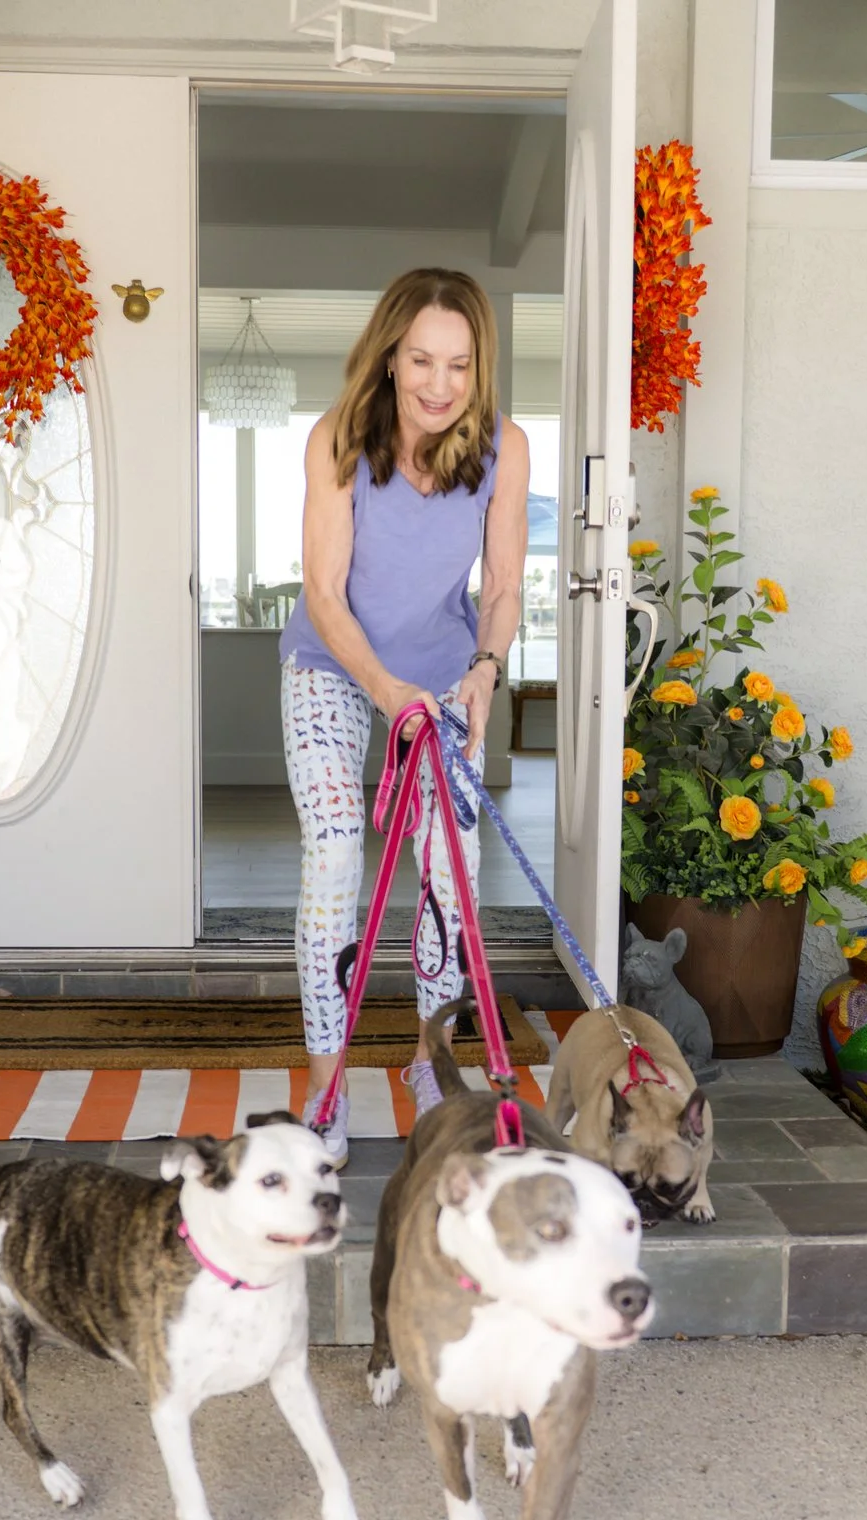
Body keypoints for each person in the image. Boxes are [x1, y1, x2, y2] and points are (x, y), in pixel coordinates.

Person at [278, 268, 531, 1164]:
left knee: (448, 865)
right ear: (389, 356)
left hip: (442, 674)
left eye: (458, 364)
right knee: (339, 844)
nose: (438, 383)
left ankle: (432, 1059)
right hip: (332, 667)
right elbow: (324, 591)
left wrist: (484, 674)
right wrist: (387, 693)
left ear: (478, 367)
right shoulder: (339, 438)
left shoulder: (504, 446)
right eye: (421, 359)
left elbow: (502, 588)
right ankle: (324, 1086)